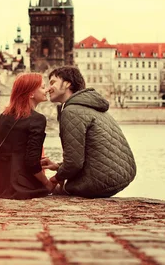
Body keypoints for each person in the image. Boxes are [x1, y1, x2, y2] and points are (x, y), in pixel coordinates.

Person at [44, 66, 136, 198]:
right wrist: (58, 166)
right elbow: (91, 153)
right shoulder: (90, 106)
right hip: (120, 175)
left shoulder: (72, 111)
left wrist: (54, 179)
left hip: (99, 180)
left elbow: (74, 162)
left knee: (50, 192)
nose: (47, 88)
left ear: (67, 83)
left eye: (52, 82)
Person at [0, 73, 55, 199]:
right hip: (22, 186)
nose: (46, 90)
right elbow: (31, 162)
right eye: (42, 87)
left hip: (0, 185)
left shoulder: (3, 117)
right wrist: (46, 183)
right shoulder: (37, 119)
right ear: (31, 94)